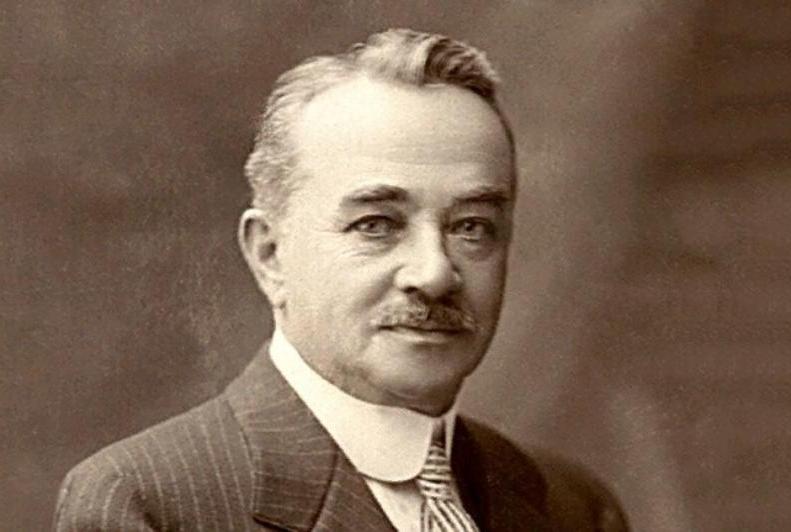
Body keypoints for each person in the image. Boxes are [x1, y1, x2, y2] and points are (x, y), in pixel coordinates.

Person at [54, 28, 628, 531]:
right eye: (376, 224)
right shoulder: (152, 504)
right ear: (270, 254)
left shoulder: (572, 506)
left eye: (471, 227)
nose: (434, 273)